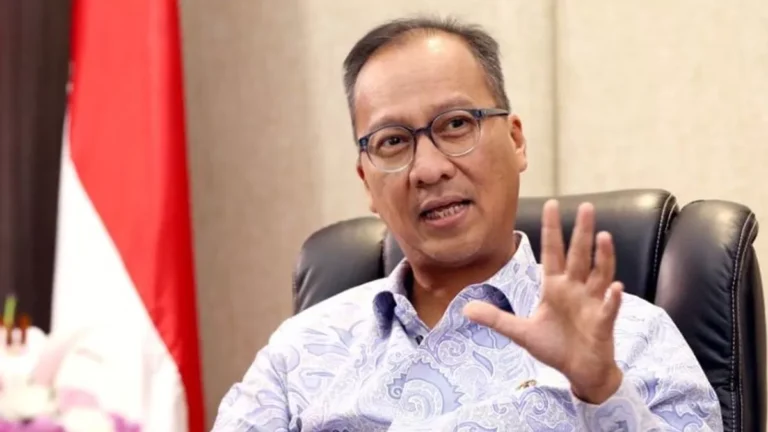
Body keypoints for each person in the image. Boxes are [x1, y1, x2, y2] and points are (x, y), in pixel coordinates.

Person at [212, 16, 722, 431]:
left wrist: (602, 392)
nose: (429, 168)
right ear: (366, 181)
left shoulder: (631, 337)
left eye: (457, 124)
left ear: (516, 140)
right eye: (393, 141)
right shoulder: (299, 352)